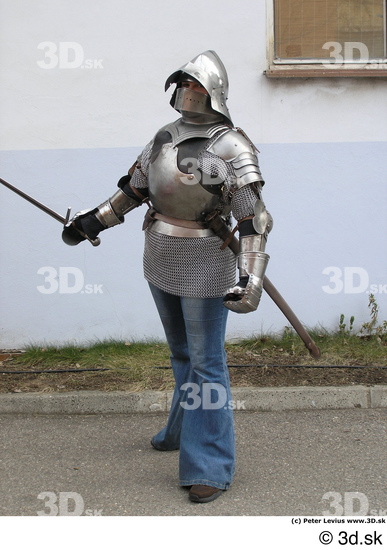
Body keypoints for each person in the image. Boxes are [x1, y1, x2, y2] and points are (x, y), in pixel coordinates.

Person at [63, 50, 273, 503]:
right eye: (183, 84)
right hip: (159, 254)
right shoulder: (163, 136)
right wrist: (93, 222)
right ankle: (179, 431)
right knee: (182, 354)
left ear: (214, 94)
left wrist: (250, 279)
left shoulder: (231, 146)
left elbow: (254, 220)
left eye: (196, 86)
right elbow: (136, 188)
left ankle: (210, 465)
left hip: (205, 261)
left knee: (207, 363)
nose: (187, 93)